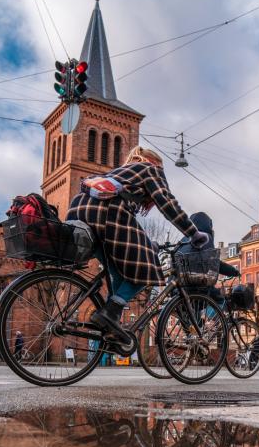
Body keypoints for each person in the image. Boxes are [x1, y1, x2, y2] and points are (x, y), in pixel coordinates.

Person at [66, 146, 209, 343]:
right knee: (147, 270)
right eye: (161, 168)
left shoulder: (121, 173)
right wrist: (193, 232)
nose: (162, 172)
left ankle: (109, 324)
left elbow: (127, 225)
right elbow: (167, 203)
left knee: (120, 271)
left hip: (80, 213)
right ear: (154, 162)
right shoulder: (149, 169)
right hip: (106, 214)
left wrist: (146, 243)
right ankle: (110, 314)